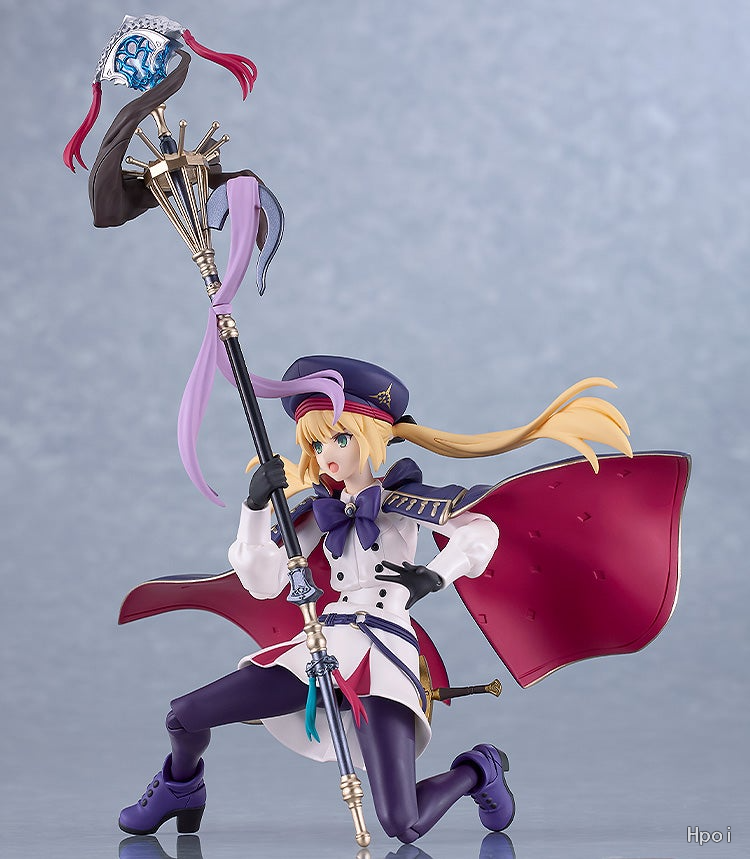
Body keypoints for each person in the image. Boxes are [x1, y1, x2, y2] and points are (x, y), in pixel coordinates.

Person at [118, 353, 637, 842]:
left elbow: (479, 530)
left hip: (385, 653)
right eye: (316, 445)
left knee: (402, 823)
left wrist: (433, 576)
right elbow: (263, 582)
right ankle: (181, 788)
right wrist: (253, 510)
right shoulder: (315, 514)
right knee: (184, 716)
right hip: (323, 647)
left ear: (372, 437)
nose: (326, 455)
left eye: (339, 438)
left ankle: (479, 769)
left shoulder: (401, 499)